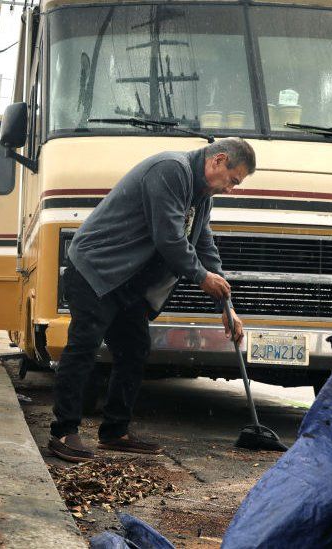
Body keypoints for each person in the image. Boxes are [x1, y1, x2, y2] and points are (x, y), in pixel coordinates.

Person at [48, 137, 255, 463]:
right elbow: (169, 239)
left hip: (126, 282)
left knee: (134, 348)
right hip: (96, 268)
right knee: (84, 345)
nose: (231, 188)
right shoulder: (171, 170)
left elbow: (204, 246)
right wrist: (202, 278)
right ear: (218, 161)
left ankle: (115, 432)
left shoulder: (202, 196)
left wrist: (227, 309)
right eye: (233, 180)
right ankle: (63, 431)